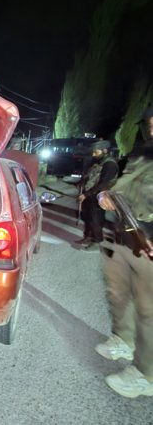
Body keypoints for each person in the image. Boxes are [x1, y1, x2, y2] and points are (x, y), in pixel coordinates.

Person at [95, 106, 153, 398]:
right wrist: (108, 194)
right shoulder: (143, 150)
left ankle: (145, 374)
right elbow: (125, 185)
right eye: (150, 123)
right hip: (124, 232)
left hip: (149, 241)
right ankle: (122, 340)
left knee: (148, 308)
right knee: (118, 291)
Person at [75, 140, 119, 251]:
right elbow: (90, 176)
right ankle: (88, 237)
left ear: (105, 150)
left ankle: (97, 241)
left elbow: (102, 184)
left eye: (96, 152)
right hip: (90, 196)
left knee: (96, 220)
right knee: (88, 218)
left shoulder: (110, 164)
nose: (93, 154)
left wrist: (86, 194)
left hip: (99, 197)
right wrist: (81, 182)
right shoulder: (99, 163)